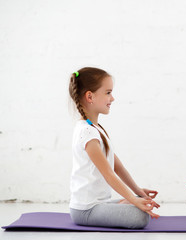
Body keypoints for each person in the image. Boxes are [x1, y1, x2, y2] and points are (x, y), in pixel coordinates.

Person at [68, 67, 160, 228]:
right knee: (140, 217)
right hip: (86, 210)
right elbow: (109, 175)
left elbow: (117, 167)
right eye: (108, 93)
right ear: (90, 96)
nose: (113, 98)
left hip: (98, 204)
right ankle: (125, 204)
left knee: (142, 204)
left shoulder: (96, 129)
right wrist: (133, 200)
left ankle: (124, 203)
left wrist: (138, 193)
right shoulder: (87, 132)